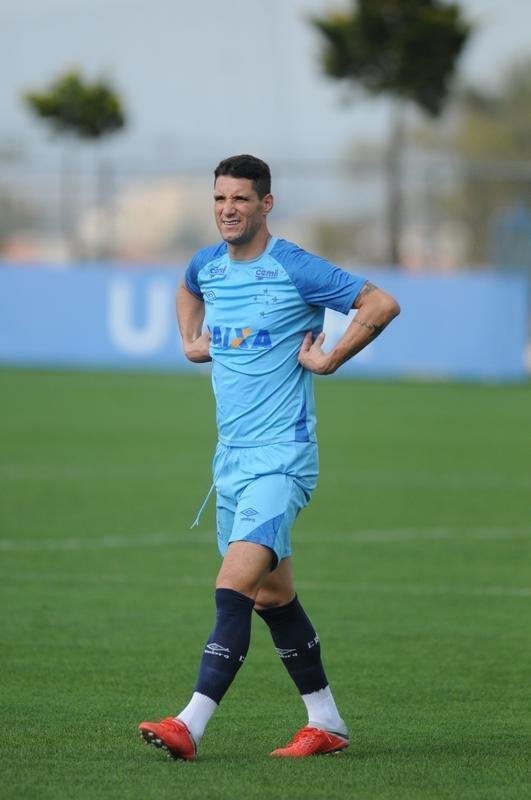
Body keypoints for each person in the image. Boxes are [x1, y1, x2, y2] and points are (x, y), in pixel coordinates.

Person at [139, 154, 400, 760]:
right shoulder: (207, 264)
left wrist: (330, 358)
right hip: (230, 463)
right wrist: (189, 341)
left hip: (282, 460)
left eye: (240, 199)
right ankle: (327, 723)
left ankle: (189, 724)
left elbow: (380, 303)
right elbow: (187, 286)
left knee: (232, 585)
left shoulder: (294, 266)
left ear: (266, 204)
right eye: (219, 199)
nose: (228, 210)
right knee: (272, 598)